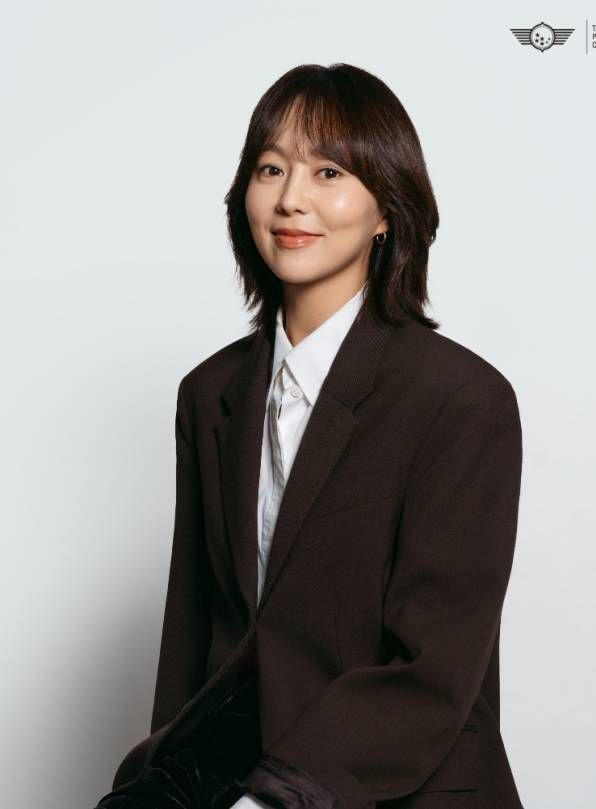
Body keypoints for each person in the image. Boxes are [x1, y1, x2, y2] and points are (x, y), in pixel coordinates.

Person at [95, 62, 525, 809]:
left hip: (395, 788)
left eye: (329, 172)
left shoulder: (460, 400)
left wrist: (271, 801)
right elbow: (194, 636)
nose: (291, 198)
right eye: (271, 169)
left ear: (387, 209)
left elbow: (433, 669)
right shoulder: (209, 394)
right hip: (233, 776)